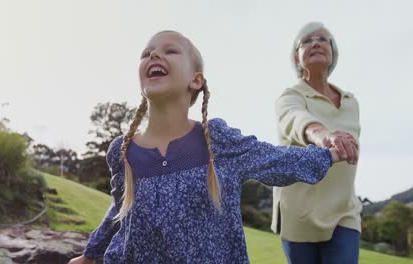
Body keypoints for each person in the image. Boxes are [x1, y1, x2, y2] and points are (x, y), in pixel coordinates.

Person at [69, 30, 346, 264]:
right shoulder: (123, 151)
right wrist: (92, 253)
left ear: (196, 80)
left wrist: (329, 152)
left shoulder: (216, 141)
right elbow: (120, 208)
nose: (154, 55)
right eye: (146, 53)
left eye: (170, 51)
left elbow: (275, 160)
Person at [271, 22, 362, 264]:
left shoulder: (351, 102)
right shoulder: (289, 97)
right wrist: (324, 135)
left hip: (345, 211)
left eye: (323, 39)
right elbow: (297, 120)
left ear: (332, 52)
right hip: (299, 213)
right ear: (296, 56)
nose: (316, 43)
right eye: (307, 41)